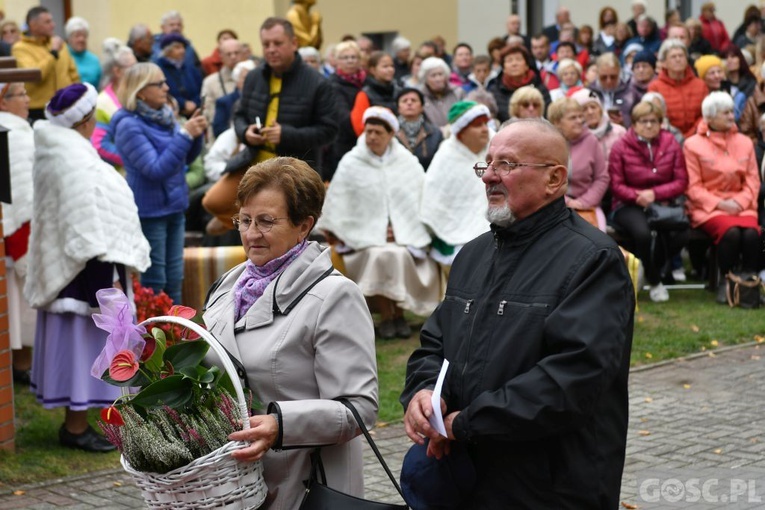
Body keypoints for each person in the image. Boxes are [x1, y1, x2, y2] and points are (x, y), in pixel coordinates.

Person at [401, 118, 633, 509]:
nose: (489, 176)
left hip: (550, 484)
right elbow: (435, 344)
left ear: (554, 179)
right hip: (463, 475)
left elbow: (572, 379)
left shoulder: (593, 261)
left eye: (506, 164)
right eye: (487, 163)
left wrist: (465, 423)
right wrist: (423, 393)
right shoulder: (473, 254)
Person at [202, 157, 378, 510]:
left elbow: (359, 408)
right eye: (245, 220)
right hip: (229, 487)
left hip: (306, 487)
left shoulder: (334, 295)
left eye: (267, 221)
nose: (252, 234)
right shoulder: (228, 285)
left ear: (303, 225)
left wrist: (279, 425)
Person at [24, 83, 150, 452]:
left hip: (73, 267)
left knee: (84, 345)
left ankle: (86, 421)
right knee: (82, 346)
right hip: (80, 272)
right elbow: (88, 224)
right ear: (85, 119)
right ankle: (76, 427)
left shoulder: (58, 151)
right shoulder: (72, 159)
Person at [318, 107, 440, 339]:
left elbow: (418, 199)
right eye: (368, 131)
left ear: (391, 134)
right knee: (379, 256)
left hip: (403, 236)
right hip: (360, 239)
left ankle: (399, 315)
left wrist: (403, 228)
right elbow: (341, 205)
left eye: (377, 132)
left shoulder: (407, 161)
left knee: (399, 255)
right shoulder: (351, 162)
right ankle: (386, 317)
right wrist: (371, 230)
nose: (372, 136)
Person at [111, 63, 206, 304]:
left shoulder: (164, 115)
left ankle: (174, 333)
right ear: (140, 91)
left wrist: (197, 134)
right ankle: (155, 336)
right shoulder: (128, 126)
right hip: (150, 211)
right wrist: (185, 135)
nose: (167, 87)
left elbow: (184, 158)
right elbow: (155, 169)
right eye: (159, 83)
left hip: (174, 205)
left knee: (175, 277)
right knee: (155, 281)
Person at [684, 92, 761, 303]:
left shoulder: (744, 142)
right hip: (708, 206)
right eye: (725, 112)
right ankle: (726, 282)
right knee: (732, 233)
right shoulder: (692, 145)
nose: (731, 116)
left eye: (731, 111)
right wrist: (720, 203)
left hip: (741, 203)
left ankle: (748, 284)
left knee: (752, 234)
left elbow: (753, 180)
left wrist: (739, 202)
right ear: (709, 117)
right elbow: (693, 186)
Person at [609, 101, 689, 302]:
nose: (648, 126)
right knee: (643, 234)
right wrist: (638, 197)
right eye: (643, 121)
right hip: (628, 204)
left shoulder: (670, 142)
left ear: (661, 123)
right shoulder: (620, 146)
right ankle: (655, 280)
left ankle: (651, 266)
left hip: (662, 203)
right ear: (634, 124)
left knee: (683, 231)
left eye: (653, 121)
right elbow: (616, 184)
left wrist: (654, 194)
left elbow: (681, 181)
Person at [420, 101, 491, 270]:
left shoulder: (496, 148)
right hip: (455, 234)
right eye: (477, 125)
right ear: (461, 132)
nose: (484, 129)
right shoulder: (446, 156)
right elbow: (435, 201)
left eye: (485, 124)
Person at [0, 82, 36, 385]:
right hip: (16, 231)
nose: (27, 99)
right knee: (16, 299)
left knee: (17, 301)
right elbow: (20, 193)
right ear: (3, 102)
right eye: (20, 94)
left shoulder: (23, 130)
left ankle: (20, 363)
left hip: (19, 229)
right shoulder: (12, 134)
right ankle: (19, 364)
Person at [548, 97, 610, 231]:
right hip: (552, 205)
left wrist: (583, 202)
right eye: (573, 118)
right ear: (557, 122)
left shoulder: (591, 141)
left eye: (580, 117)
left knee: (598, 237)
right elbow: (543, 180)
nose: (579, 121)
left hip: (587, 206)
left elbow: (602, 178)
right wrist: (566, 202)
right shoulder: (548, 144)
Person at [12, 6, 79, 121]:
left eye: (52, 21)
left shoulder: (58, 43)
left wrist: (77, 97)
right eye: (47, 22)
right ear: (33, 25)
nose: (53, 25)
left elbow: (73, 74)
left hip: (66, 107)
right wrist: (53, 53)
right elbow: (36, 75)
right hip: (39, 110)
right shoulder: (20, 48)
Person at [648, 39, 708, 138]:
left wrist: (690, 134)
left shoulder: (700, 85)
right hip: (666, 138)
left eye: (681, 56)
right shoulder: (655, 87)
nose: (678, 59)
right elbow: (656, 116)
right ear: (664, 63)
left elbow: (705, 114)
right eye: (673, 57)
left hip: (697, 136)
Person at [91, 39, 136, 171]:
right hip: (118, 175)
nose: (137, 72)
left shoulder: (138, 94)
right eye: (132, 68)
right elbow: (100, 145)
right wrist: (134, 160)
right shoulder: (102, 102)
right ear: (117, 71)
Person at [326, 40, 366, 178]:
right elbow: (342, 117)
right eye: (345, 57)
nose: (350, 61)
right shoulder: (332, 84)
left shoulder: (366, 81)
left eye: (354, 57)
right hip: (343, 142)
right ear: (337, 61)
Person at [488, 44, 551, 123]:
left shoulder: (539, 88)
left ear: (527, 65)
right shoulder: (495, 91)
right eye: (509, 60)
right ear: (503, 68)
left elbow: (547, 115)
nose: (514, 64)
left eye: (518, 59)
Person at [572, 88, 626, 172]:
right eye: (584, 109)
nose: (590, 112)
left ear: (600, 109)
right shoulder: (576, 137)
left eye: (593, 107)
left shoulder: (619, 132)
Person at [201, 38, 242, 140]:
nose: (233, 57)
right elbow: (207, 113)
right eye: (229, 54)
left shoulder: (253, 78)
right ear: (221, 56)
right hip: (220, 137)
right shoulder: (210, 82)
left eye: (236, 53)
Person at [350, 51, 400, 133]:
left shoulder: (399, 91)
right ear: (373, 70)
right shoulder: (365, 94)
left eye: (392, 66)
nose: (390, 70)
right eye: (385, 66)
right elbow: (359, 126)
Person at [395, 87, 443, 171]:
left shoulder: (434, 133)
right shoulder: (390, 133)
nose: (409, 103)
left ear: (422, 107)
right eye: (404, 101)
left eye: (413, 100)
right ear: (398, 108)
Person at [155, 33, 202, 118]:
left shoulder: (190, 67)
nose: (182, 50)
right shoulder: (158, 69)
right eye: (177, 47)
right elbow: (161, 92)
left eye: (183, 47)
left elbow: (201, 88)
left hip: (195, 111)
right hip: (171, 114)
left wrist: (195, 103)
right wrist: (183, 104)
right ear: (167, 50)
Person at [589, 52, 641, 128]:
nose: (608, 81)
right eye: (603, 77)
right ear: (597, 73)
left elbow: (639, 119)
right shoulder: (588, 93)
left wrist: (625, 122)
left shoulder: (631, 92)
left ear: (619, 73)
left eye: (613, 77)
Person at [418, 56, 465, 129]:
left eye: (440, 74)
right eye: (433, 76)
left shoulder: (458, 92)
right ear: (425, 79)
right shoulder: (420, 96)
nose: (438, 79)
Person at [695, 54, 747, 121]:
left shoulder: (735, 94)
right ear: (703, 78)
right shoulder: (699, 95)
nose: (717, 76)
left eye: (719, 71)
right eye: (712, 73)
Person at [65, 17, 100, 89]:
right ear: (69, 39)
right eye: (77, 36)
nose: (81, 39)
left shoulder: (94, 59)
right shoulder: (62, 57)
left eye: (84, 36)